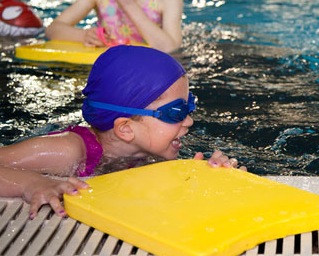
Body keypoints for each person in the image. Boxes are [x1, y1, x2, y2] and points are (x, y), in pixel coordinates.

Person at [0, 45, 244, 219]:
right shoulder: (68, 151)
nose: (189, 121)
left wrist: (208, 175)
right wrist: (31, 183)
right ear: (126, 129)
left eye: (189, 106)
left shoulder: (151, 152)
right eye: (177, 112)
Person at [45, 0, 182, 53]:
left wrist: (128, 4)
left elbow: (170, 48)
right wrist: (85, 35)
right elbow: (52, 29)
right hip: (110, 61)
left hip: (147, 66)